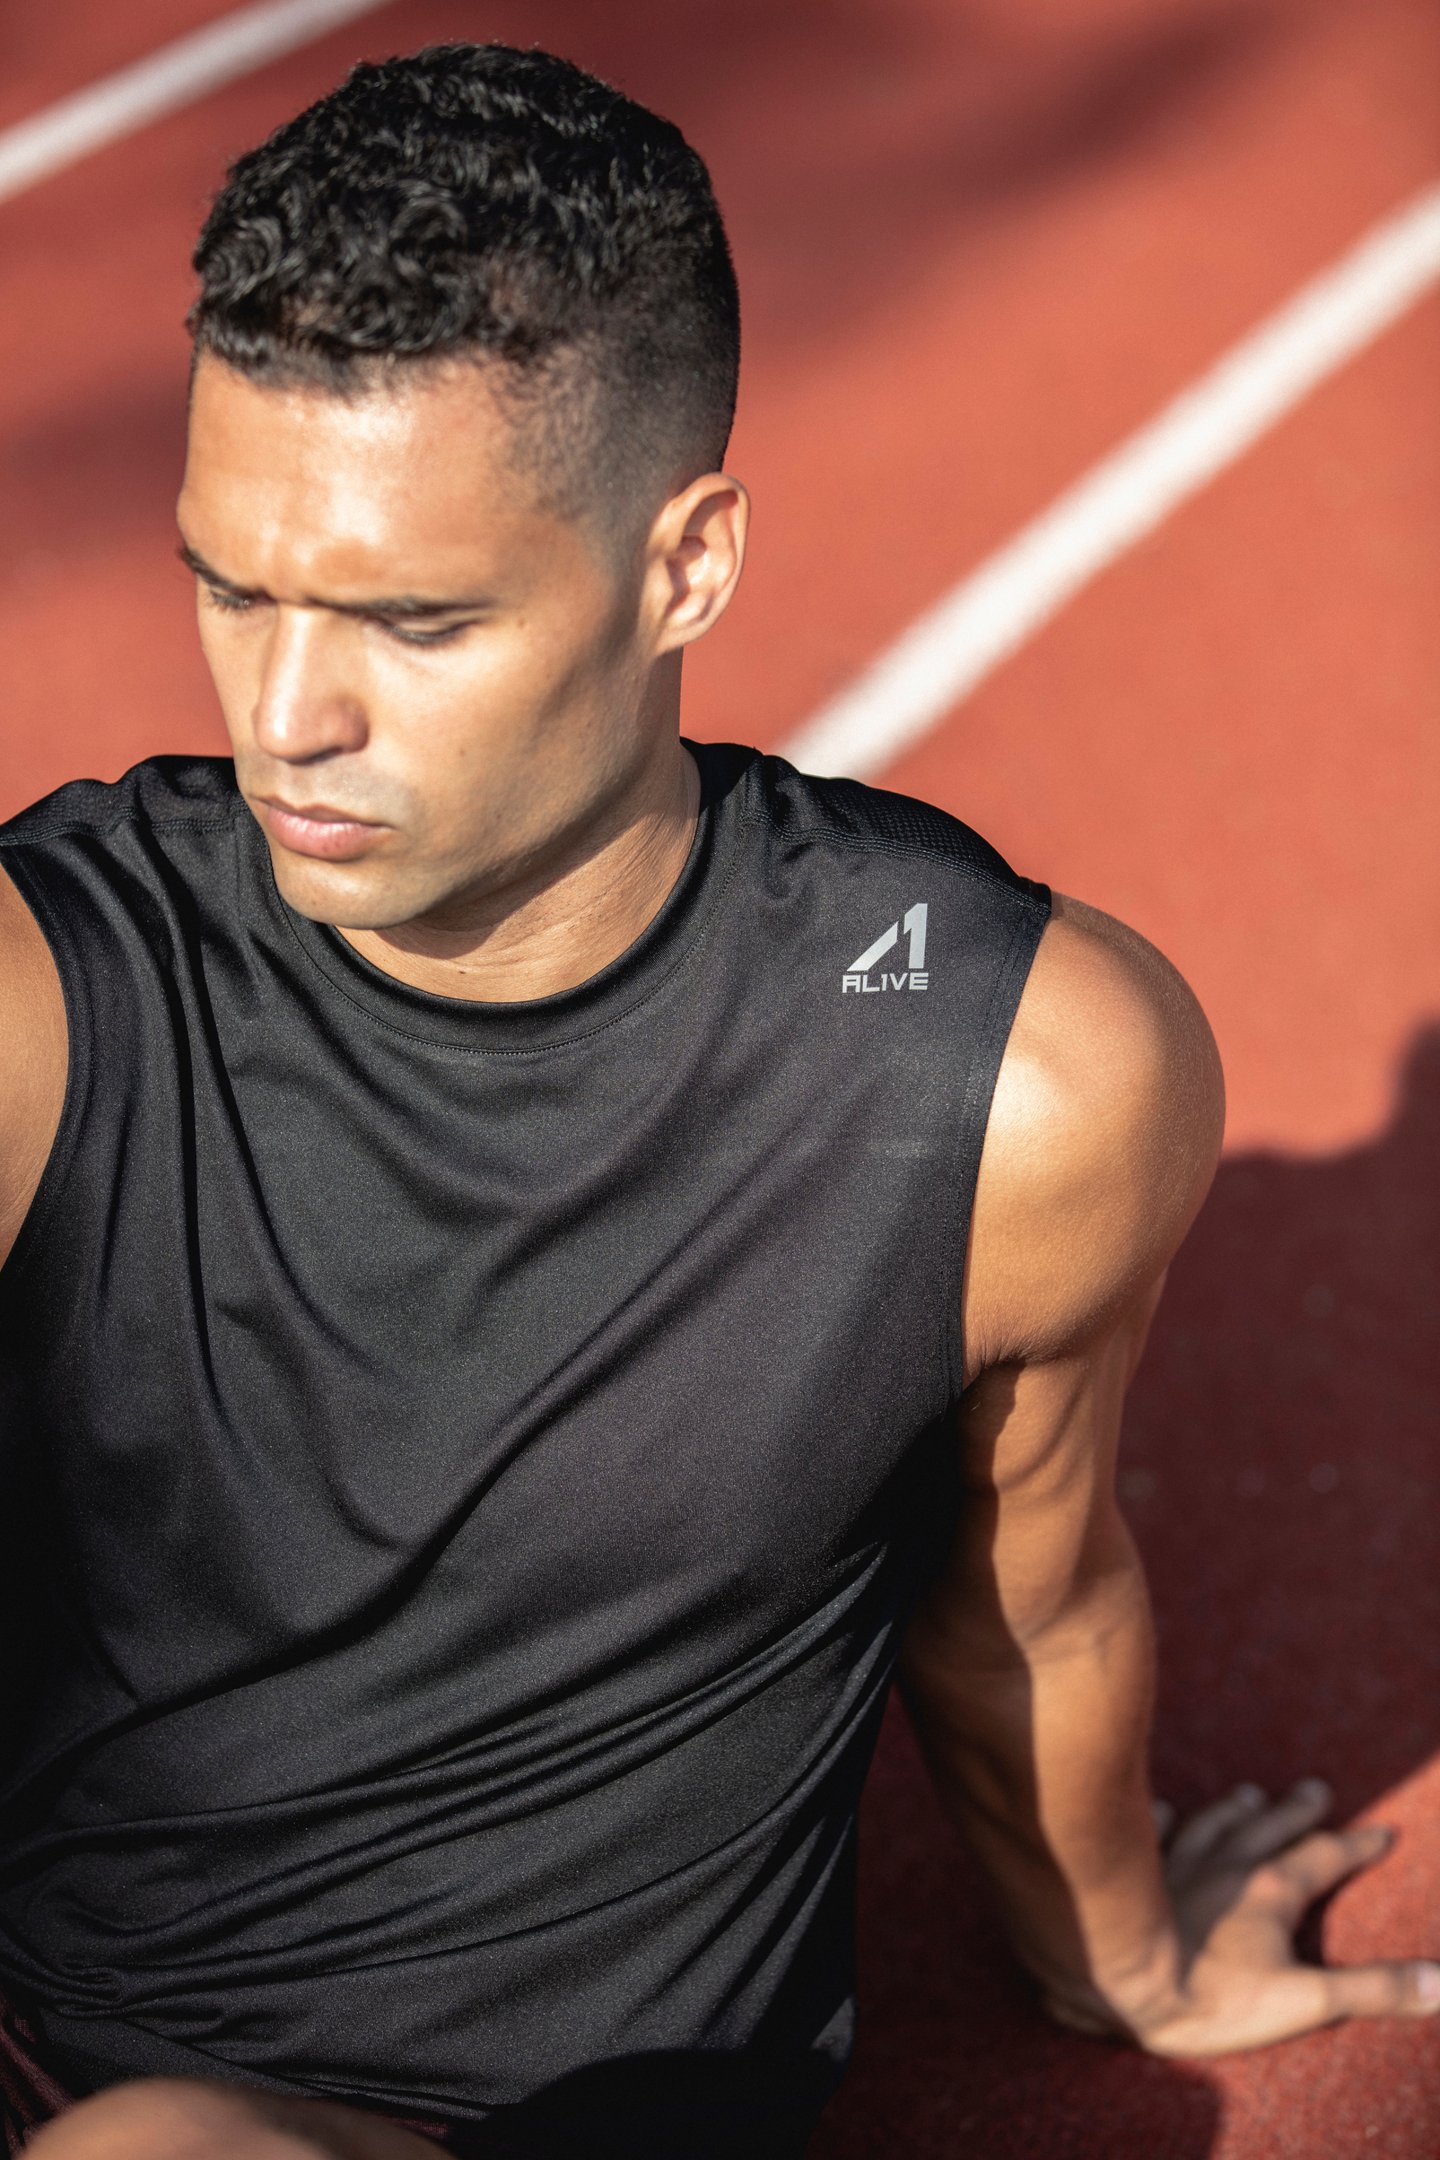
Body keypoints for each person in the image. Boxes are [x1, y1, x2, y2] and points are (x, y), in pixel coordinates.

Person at [0, 41, 1433, 2160]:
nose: (288, 714)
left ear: (685, 567)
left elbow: (1026, 1594)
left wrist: (1121, 1962)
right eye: (235, 585)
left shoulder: (1008, 1078)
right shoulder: (52, 990)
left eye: (414, 620)